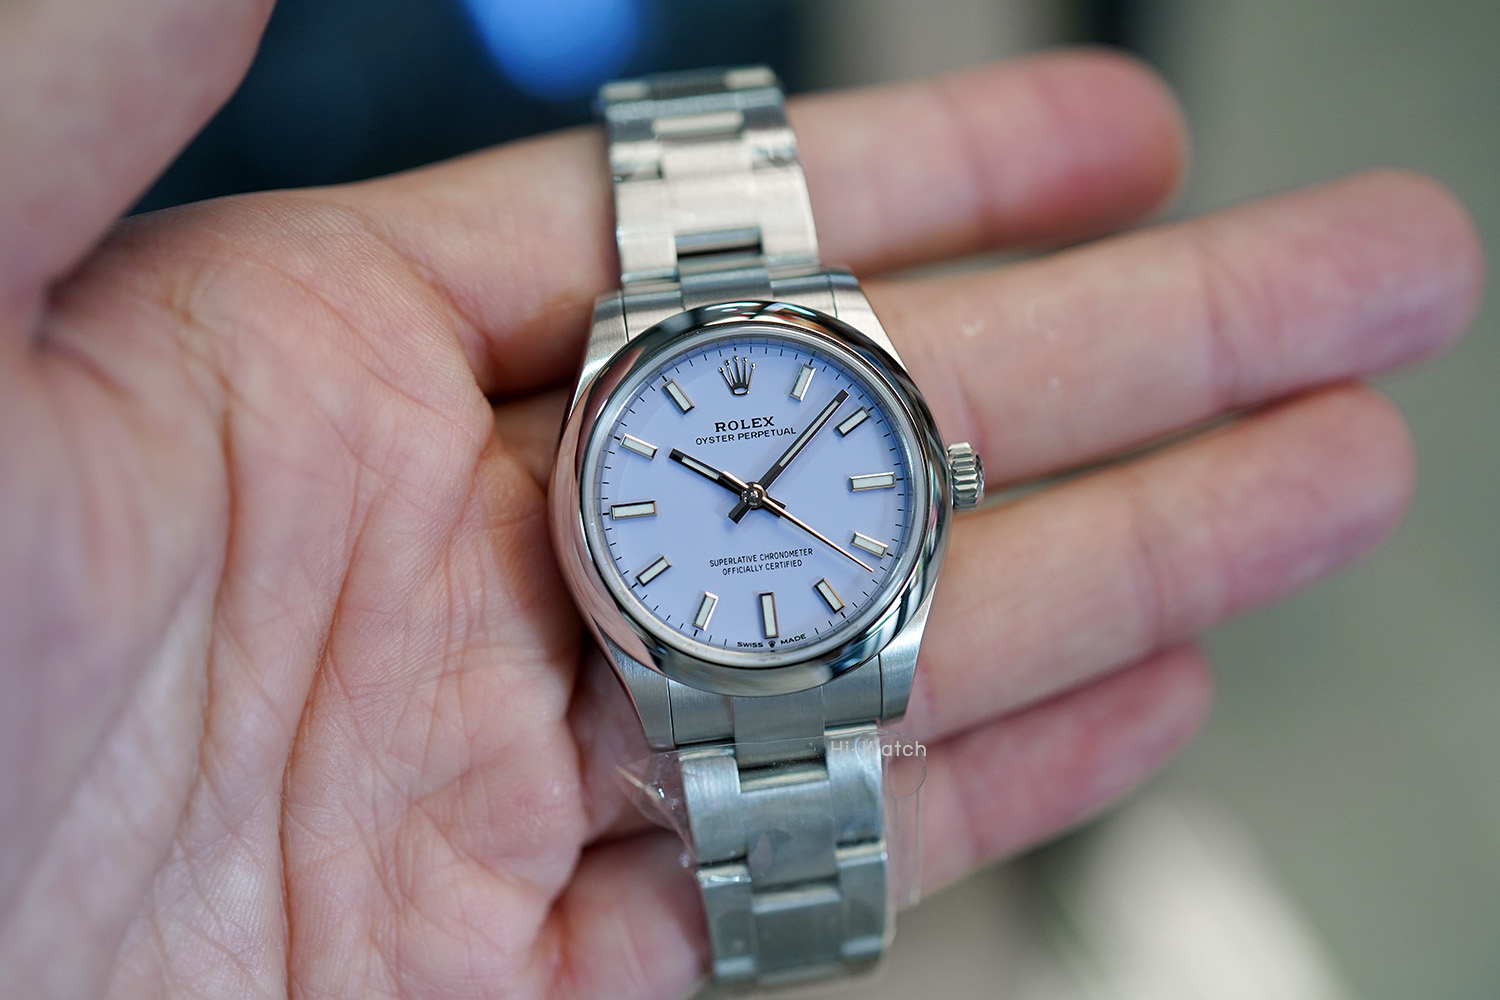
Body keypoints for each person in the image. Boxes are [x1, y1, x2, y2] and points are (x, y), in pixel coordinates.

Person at [0, 2, 1483, 998]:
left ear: (936, 480)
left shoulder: (847, 475)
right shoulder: (629, 486)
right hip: (686, 636)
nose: (761, 490)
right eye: (736, 477)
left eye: (771, 475)